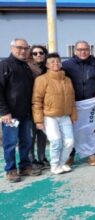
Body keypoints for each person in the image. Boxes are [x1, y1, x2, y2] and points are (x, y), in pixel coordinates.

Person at [0, 38, 42, 183]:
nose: (23, 50)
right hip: (10, 115)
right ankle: (11, 169)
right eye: (20, 47)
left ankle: (25, 166)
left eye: (26, 48)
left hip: (25, 113)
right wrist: (4, 112)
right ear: (12, 48)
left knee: (26, 141)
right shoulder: (4, 65)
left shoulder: (26, 67)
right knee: (10, 143)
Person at [62, 40, 95, 166]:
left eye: (86, 50)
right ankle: (69, 155)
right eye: (80, 50)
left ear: (89, 51)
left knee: (89, 130)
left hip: (90, 105)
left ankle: (91, 154)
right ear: (75, 51)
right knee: (71, 131)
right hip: (73, 105)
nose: (83, 52)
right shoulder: (66, 65)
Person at [32, 53, 77, 174]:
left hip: (65, 116)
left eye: (57, 61)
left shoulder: (67, 80)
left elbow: (72, 99)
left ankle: (62, 163)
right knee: (56, 141)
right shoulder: (41, 79)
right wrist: (39, 120)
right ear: (47, 65)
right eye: (52, 62)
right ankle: (54, 165)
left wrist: (73, 115)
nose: (55, 64)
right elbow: (36, 101)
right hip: (49, 116)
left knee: (69, 141)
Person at [27, 45, 50, 169]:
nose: (38, 55)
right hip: (30, 106)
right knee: (31, 135)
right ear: (31, 55)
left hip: (46, 106)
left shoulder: (48, 68)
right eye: (35, 53)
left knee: (42, 134)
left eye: (41, 53)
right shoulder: (26, 68)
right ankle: (31, 160)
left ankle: (42, 158)